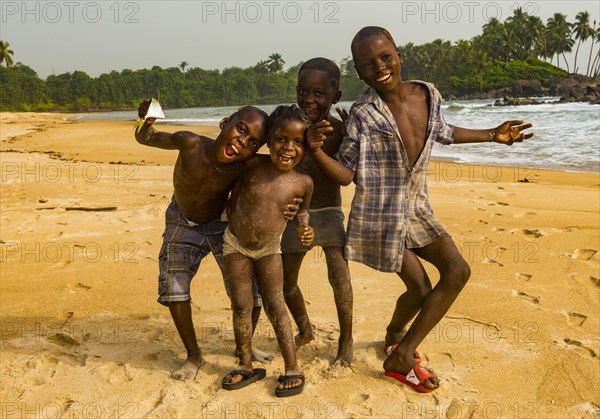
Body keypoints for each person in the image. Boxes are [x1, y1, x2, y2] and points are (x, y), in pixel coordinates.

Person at [306, 26, 533, 393]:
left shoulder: (428, 93)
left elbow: (443, 130)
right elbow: (347, 174)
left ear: (399, 54)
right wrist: (316, 151)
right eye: (368, 64)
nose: (379, 67)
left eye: (384, 56)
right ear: (360, 73)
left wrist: (494, 134)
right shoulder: (364, 113)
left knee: (457, 271)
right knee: (421, 288)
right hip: (380, 218)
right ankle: (400, 353)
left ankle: (397, 339)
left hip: (417, 210)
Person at [135, 102, 301, 381]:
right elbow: (146, 138)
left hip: (221, 224)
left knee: (253, 293)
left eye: (252, 142)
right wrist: (145, 122)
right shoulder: (190, 143)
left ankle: (244, 348)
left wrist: (293, 206)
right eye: (241, 130)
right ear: (225, 123)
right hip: (181, 221)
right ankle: (194, 356)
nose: (242, 142)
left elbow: (281, 176)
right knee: (175, 288)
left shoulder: (244, 167)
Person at [221, 105, 314, 397]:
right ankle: (246, 364)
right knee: (241, 306)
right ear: (268, 141)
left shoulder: (303, 182)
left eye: (298, 142)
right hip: (235, 243)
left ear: (306, 146)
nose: (288, 148)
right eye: (281, 139)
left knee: (276, 305)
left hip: (270, 248)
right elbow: (230, 168)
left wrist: (304, 228)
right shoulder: (252, 165)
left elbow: (303, 213)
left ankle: (292, 368)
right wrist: (224, 128)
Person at [281, 58, 353, 366]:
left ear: (335, 97)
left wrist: (319, 147)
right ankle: (305, 329)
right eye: (303, 92)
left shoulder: (338, 132)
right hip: (293, 214)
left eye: (319, 93)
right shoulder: (285, 125)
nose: (309, 100)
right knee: (286, 283)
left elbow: (346, 176)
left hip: (329, 210)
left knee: (339, 275)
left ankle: (347, 338)